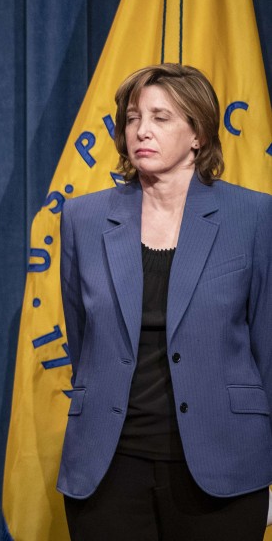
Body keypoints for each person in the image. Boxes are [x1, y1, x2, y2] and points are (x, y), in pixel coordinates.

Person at [57, 63, 272, 539]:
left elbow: (268, 345)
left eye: (161, 117)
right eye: (133, 118)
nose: (142, 131)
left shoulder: (254, 216)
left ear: (197, 133)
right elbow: (82, 339)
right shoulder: (83, 218)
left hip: (223, 462)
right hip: (109, 465)